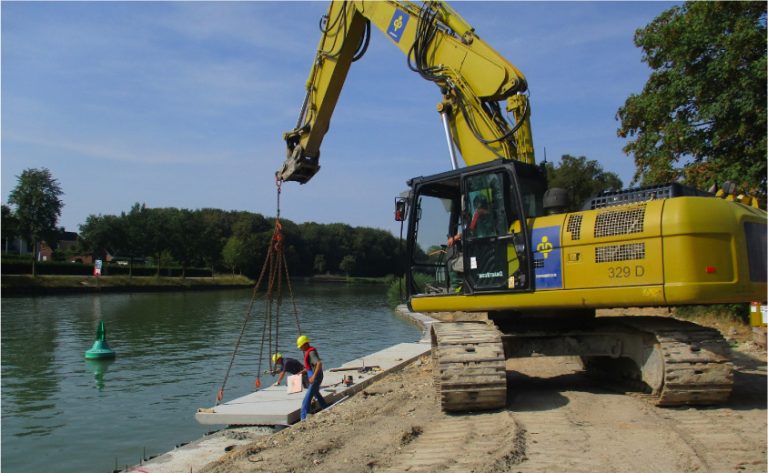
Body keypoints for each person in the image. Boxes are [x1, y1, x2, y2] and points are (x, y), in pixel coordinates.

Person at [297, 334, 328, 420]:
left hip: (315, 378)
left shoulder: (311, 353)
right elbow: (310, 367)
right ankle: (325, 407)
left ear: (305, 344)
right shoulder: (308, 352)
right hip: (315, 376)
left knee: (306, 399)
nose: (300, 348)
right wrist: (302, 372)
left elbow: (319, 363)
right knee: (316, 393)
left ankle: (303, 417)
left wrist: (313, 377)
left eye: (301, 346)